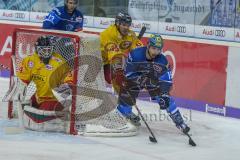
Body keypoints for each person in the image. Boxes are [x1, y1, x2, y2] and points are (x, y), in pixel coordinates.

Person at [117, 34, 190, 134]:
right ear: (148, 46)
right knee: (126, 90)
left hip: (152, 80)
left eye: (158, 49)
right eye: (154, 48)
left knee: (166, 98)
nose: (156, 52)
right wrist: (137, 80)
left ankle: (179, 122)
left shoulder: (163, 61)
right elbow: (128, 73)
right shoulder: (135, 55)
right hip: (136, 78)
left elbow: (166, 80)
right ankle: (124, 113)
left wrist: (164, 93)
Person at [16, 36, 73, 132]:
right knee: (27, 104)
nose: (46, 53)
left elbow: (69, 80)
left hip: (53, 99)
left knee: (40, 116)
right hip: (39, 96)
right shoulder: (29, 60)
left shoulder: (60, 62)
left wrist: (66, 91)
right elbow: (23, 80)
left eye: (48, 50)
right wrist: (21, 91)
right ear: (37, 49)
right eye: (43, 50)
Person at [100, 11, 143, 92]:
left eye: (128, 25)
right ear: (117, 23)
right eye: (123, 25)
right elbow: (115, 56)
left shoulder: (131, 35)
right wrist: (119, 72)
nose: (126, 28)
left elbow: (140, 51)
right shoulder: (109, 33)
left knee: (119, 81)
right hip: (96, 61)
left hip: (108, 63)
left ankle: (122, 99)